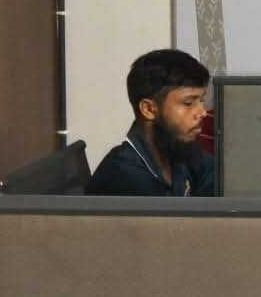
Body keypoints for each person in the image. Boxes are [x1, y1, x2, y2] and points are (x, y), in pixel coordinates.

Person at [86, 48, 215, 197]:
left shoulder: (178, 149)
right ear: (148, 109)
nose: (202, 112)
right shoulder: (124, 178)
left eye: (202, 100)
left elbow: (217, 176)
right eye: (188, 103)